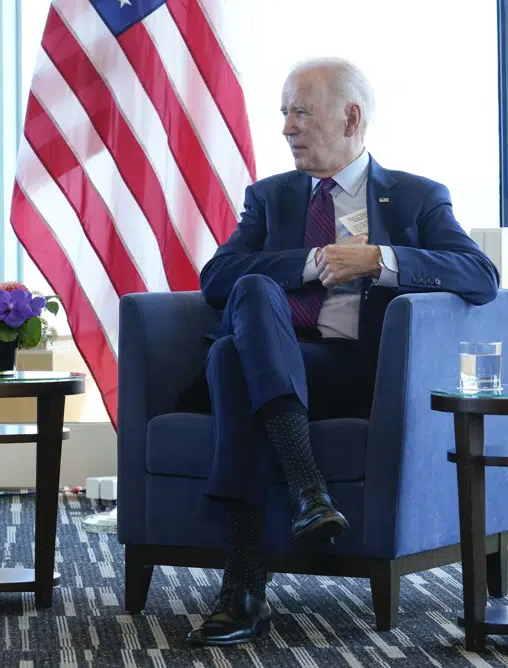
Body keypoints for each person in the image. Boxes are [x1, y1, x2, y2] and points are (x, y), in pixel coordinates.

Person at [185, 57, 500, 646]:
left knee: (230, 361)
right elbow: (216, 278)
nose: (286, 127)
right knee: (243, 319)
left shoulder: (414, 197)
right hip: (281, 358)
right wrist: (312, 262)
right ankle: (307, 493)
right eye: (284, 112)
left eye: (301, 112)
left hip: (358, 372)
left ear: (351, 117)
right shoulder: (270, 197)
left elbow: (480, 274)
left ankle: (244, 585)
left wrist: (381, 259)